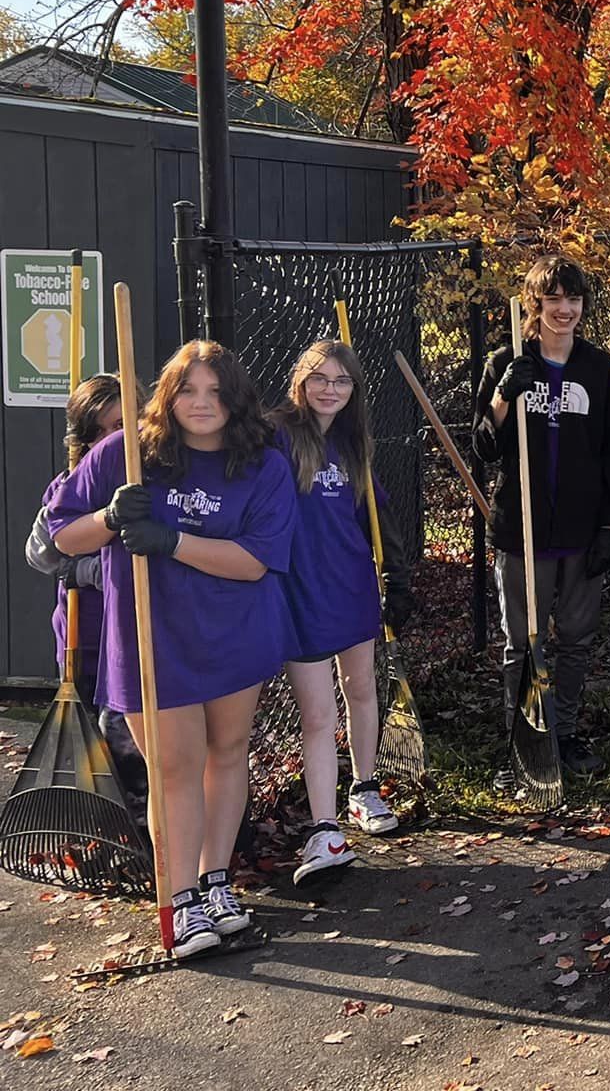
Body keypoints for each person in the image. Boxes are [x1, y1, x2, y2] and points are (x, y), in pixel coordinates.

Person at [45, 340, 297, 958]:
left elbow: (257, 560)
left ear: (236, 398)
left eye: (215, 391)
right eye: (188, 389)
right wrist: (108, 518)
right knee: (175, 768)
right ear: (168, 394)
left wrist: (170, 539)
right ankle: (180, 898)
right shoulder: (128, 452)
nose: (202, 403)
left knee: (228, 753)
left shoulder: (263, 464)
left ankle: (216, 883)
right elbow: (60, 537)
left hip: (237, 634)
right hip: (153, 641)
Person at [475, 256, 610, 784]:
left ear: (583, 306)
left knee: (578, 638)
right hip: (522, 530)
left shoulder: (600, 368)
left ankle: (562, 730)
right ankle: (526, 740)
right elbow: (484, 447)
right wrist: (501, 399)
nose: (563, 310)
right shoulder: (507, 361)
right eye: (553, 299)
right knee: (524, 641)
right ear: (534, 304)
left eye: (573, 299)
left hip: (583, 529)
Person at [271, 339, 414, 884]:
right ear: (300, 381)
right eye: (319, 378)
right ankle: (323, 828)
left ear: (354, 390)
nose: (330, 389)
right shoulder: (280, 437)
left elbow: (376, 515)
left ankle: (364, 788)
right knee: (317, 713)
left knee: (360, 688)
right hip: (301, 592)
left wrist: (395, 577)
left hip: (352, 584)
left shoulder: (354, 446)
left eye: (341, 381)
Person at [23, 373, 146, 805]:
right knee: (90, 747)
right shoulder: (70, 486)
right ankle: (95, 818)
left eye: (126, 426)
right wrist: (88, 569)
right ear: (85, 438)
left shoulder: (152, 485)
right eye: (109, 430)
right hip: (84, 638)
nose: (116, 440)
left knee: (129, 747)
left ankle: (138, 827)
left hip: (132, 645)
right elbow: (41, 552)